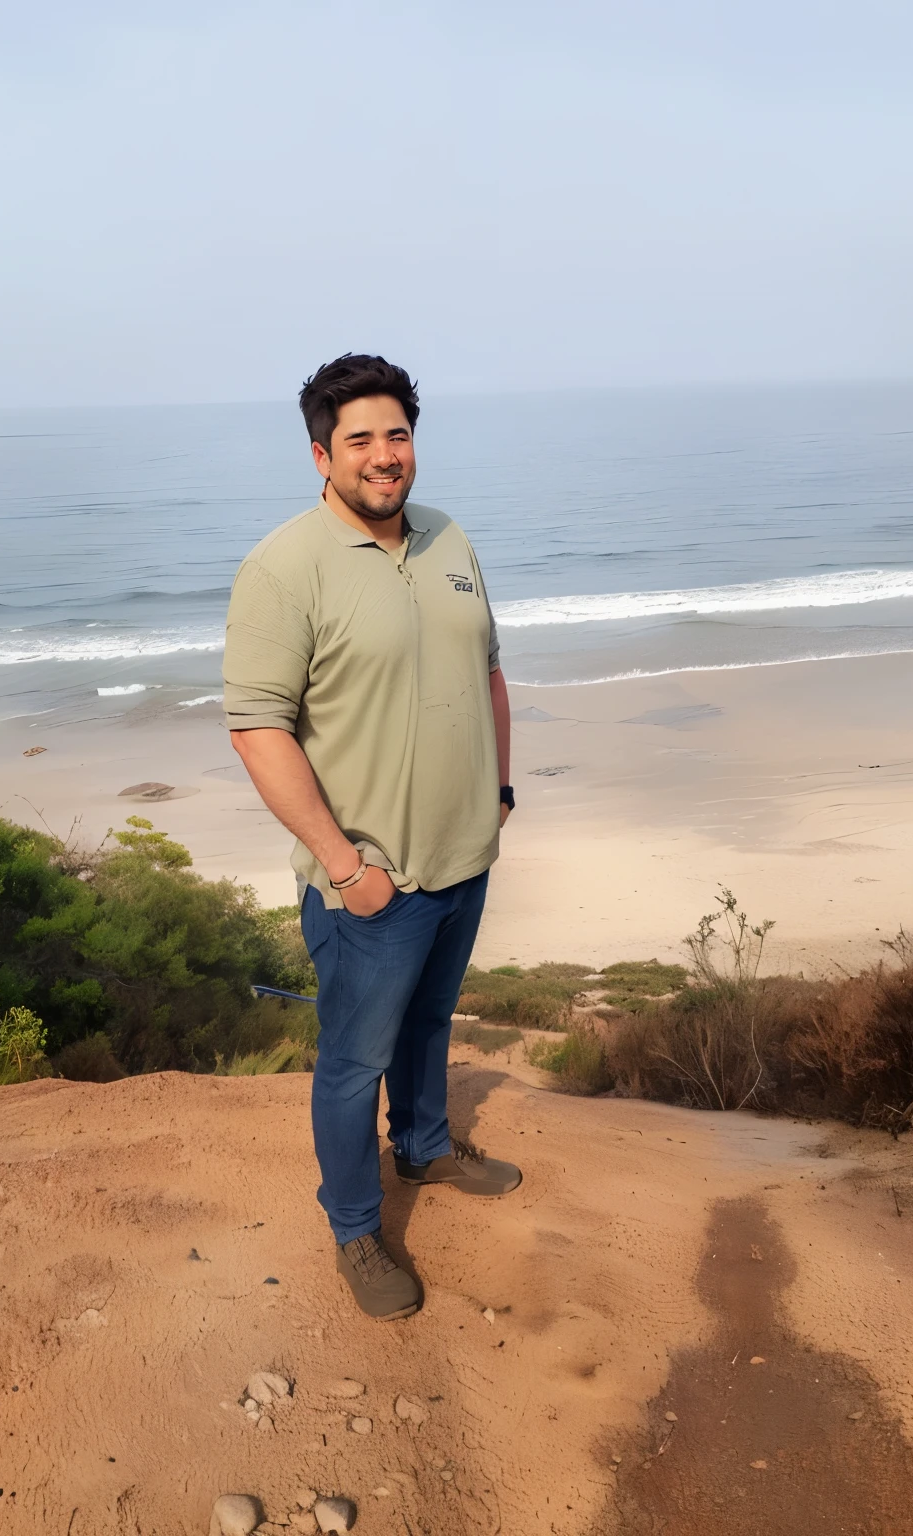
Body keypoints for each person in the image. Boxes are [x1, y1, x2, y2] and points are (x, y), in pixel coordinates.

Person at [223, 353, 521, 1321]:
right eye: (361, 439)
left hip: (464, 855)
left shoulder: (448, 538)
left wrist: (500, 794)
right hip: (372, 881)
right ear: (322, 455)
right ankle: (356, 1227)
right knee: (354, 1062)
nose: (384, 455)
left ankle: (426, 1149)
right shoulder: (283, 566)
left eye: (397, 434)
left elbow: (487, 672)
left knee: (430, 1025)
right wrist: (347, 870)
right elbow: (258, 727)